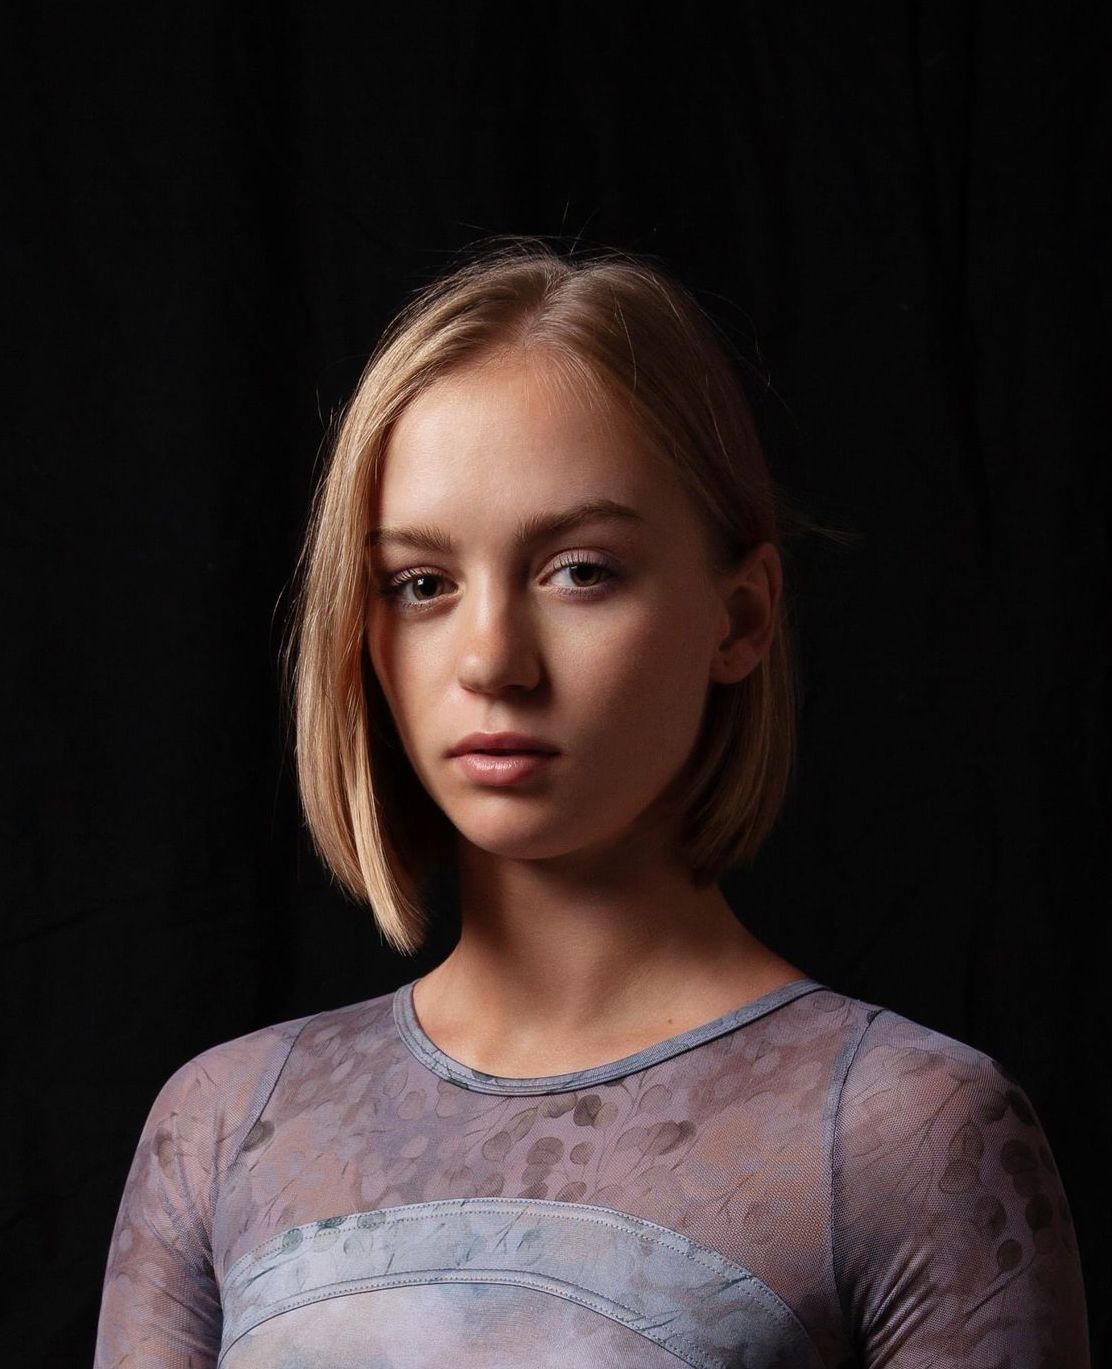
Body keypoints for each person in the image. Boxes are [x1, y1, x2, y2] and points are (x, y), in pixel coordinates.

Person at [93, 236, 1091, 1367]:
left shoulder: (903, 1133)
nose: (492, 660)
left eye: (579, 570)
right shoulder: (226, 1124)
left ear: (740, 617)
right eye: (421, 583)